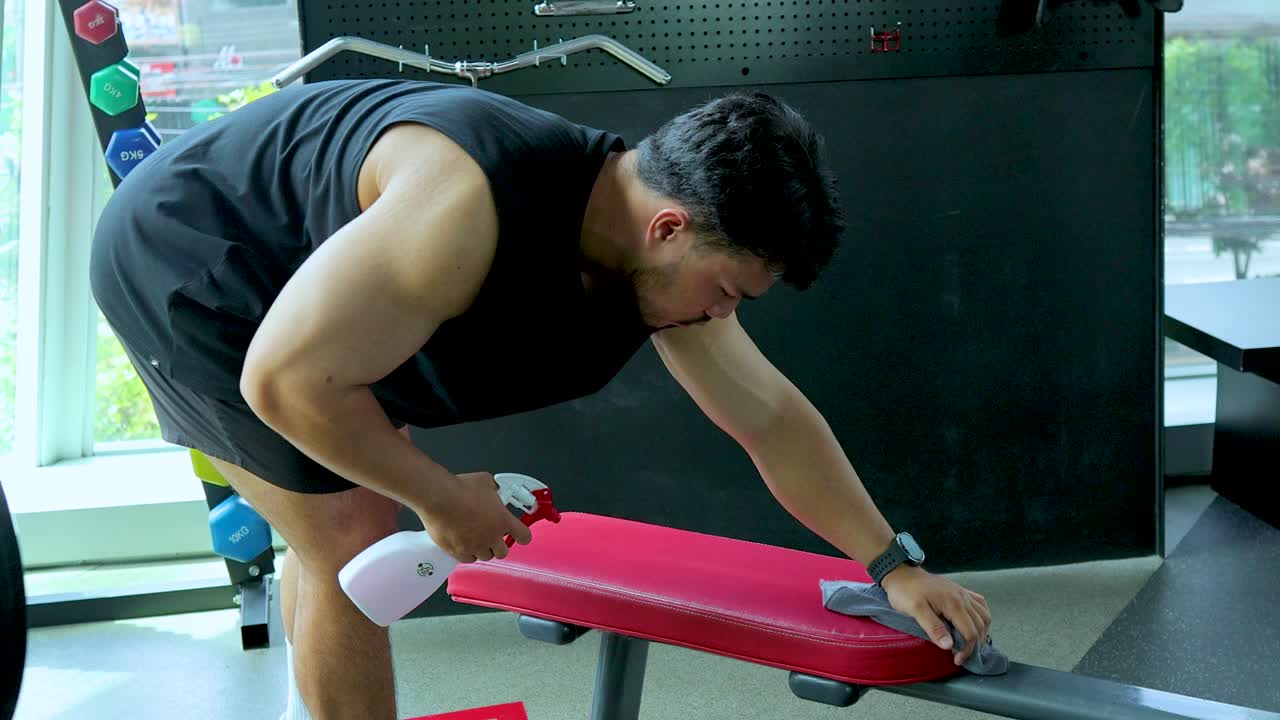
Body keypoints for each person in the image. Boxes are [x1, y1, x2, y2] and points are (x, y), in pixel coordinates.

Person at [89, 79, 993, 720]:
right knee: (349, 540)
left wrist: (893, 565)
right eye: (726, 291)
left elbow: (769, 419)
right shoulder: (468, 205)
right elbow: (287, 381)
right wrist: (440, 498)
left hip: (325, 289)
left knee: (342, 506)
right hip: (199, 261)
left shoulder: (654, 252)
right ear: (668, 226)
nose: (722, 315)